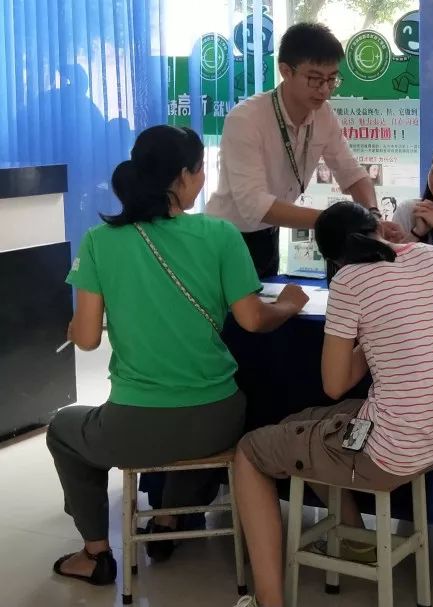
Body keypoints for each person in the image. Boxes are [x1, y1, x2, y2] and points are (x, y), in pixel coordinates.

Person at [46, 125, 309, 586]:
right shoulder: (220, 234)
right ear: (183, 176)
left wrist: (76, 325)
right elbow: (252, 319)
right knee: (194, 430)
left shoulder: (100, 241)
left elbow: (85, 339)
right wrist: (288, 304)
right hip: (220, 418)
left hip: (135, 426)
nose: (203, 179)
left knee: (63, 429)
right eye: (201, 169)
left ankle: (95, 553)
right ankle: (167, 523)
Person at [232, 201, 433, 607]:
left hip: (387, 453)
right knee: (302, 424)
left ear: (331, 258)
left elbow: (334, 385)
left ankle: (268, 601)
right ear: (379, 227)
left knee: (251, 451)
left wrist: (371, 337)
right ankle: (356, 539)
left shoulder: (349, 280)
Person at [206, 22, 403, 278]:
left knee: (268, 297)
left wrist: (373, 217)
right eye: (315, 79)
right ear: (285, 71)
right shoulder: (246, 119)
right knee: (233, 305)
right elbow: (255, 205)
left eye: (331, 79)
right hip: (227, 235)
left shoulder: (324, 115)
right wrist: (339, 224)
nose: (325, 90)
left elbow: (353, 174)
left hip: (268, 232)